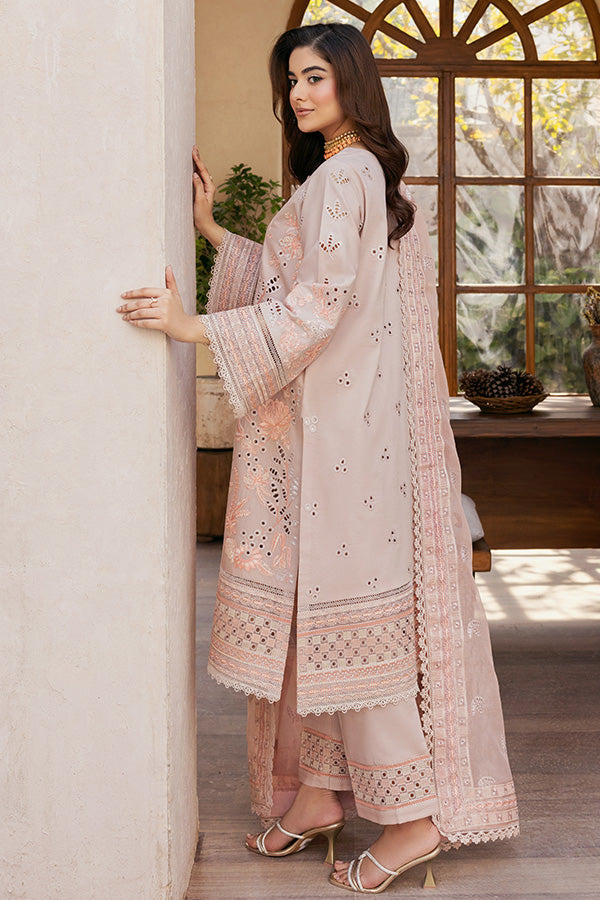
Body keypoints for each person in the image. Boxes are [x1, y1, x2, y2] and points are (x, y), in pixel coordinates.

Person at [117, 22, 519, 894]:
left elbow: (321, 305)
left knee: (352, 620)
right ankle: (318, 794)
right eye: (292, 80)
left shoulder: (346, 174)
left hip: (346, 441)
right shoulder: (358, 173)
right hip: (345, 434)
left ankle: (411, 821)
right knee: (314, 618)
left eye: (315, 78)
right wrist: (216, 233)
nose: (298, 94)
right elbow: (308, 287)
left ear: (350, 84)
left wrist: (192, 326)